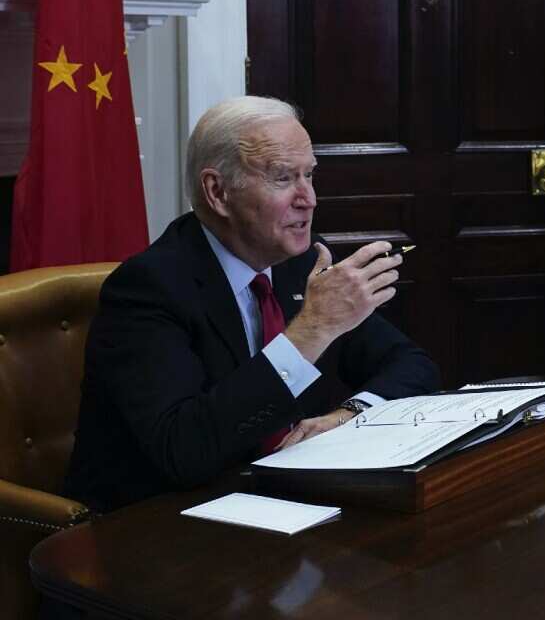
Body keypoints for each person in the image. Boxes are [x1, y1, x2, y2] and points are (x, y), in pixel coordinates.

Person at [64, 96, 441, 512]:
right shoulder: (148, 288)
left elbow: (412, 365)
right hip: (157, 527)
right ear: (218, 192)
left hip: (278, 505)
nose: (309, 198)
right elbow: (183, 453)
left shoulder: (301, 262)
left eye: (310, 175)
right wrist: (311, 331)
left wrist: (349, 413)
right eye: (283, 178)